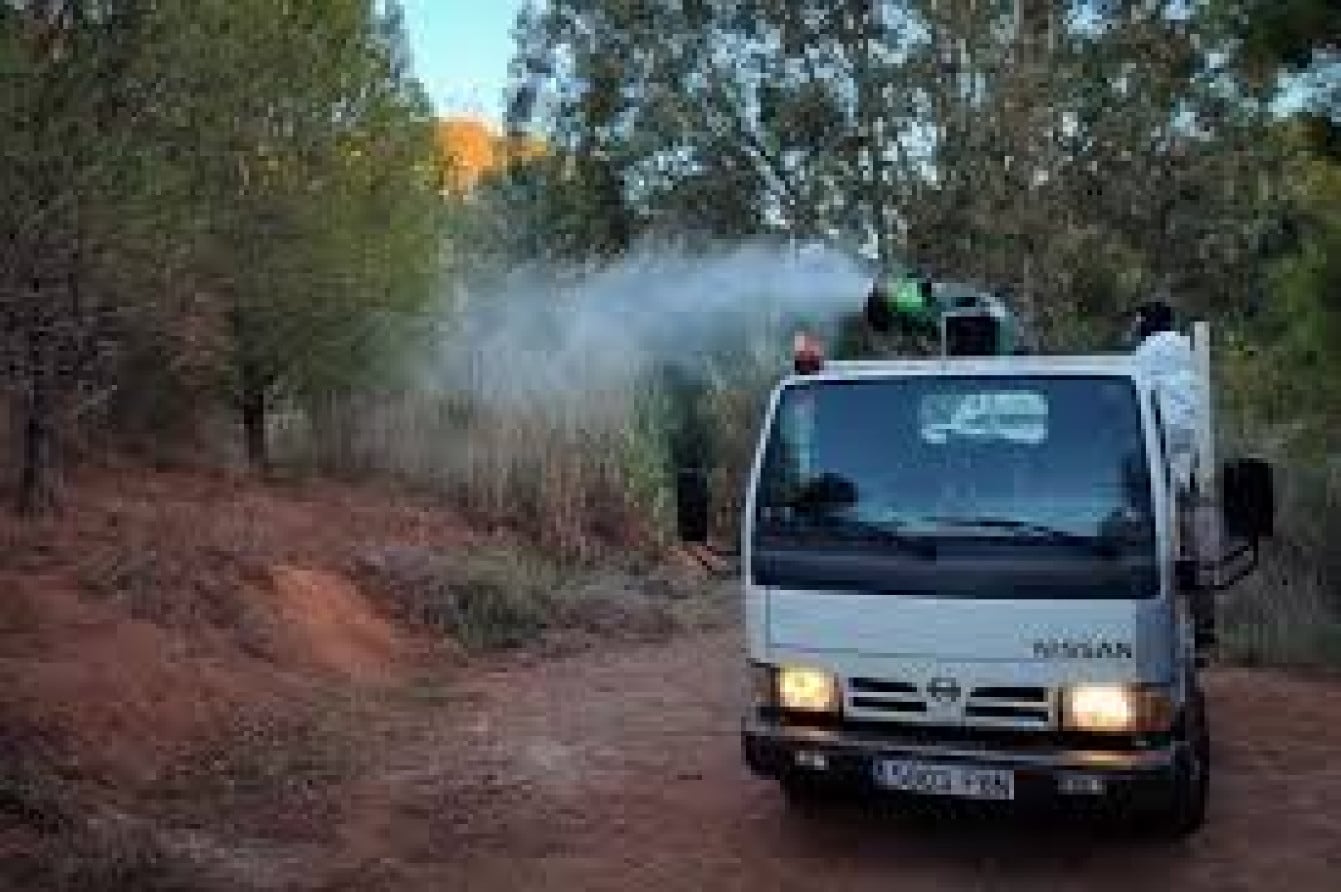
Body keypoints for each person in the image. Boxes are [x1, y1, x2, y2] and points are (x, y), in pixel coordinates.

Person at [1129, 300, 1199, 492]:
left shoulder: (1149, 348)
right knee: (1182, 476)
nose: (1136, 325)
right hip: (1188, 423)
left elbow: (1136, 382)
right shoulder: (1183, 344)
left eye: (1139, 319)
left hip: (1163, 425)